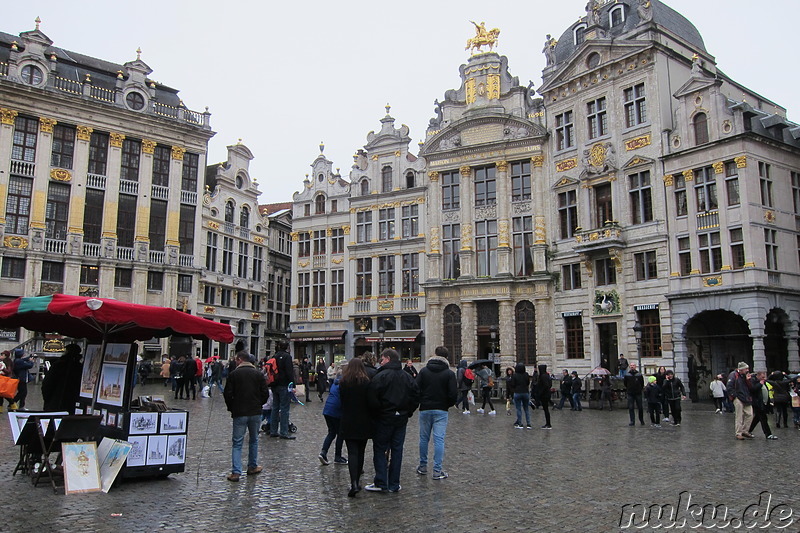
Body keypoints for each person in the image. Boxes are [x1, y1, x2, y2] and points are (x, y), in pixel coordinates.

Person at [365, 349, 420, 493]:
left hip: (384, 418)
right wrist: (408, 412)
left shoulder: (380, 376)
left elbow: (372, 398)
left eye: (382, 359)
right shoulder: (406, 377)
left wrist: (378, 412)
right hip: (400, 418)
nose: (380, 362)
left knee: (380, 448)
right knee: (397, 450)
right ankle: (394, 483)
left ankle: (381, 481)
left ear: (388, 359)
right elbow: (416, 395)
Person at [223, 350, 270, 481]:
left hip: (239, 412)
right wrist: (259, 404)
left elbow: (227, 394)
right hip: (255, 412)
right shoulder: (258, 374)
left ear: (239, 360)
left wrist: (232, 407)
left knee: (237, 443)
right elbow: (265, 393)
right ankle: (252, 466)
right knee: (254, 440)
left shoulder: (233, 374)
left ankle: (236, 472)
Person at [415, 346, 457, 480]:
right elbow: (453, 394)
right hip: (441, 410)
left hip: (425, 408)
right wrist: (446, 404)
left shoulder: (424, 371)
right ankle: (437, 471)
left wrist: (422, 401)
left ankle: (422, 466)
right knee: (439, 439)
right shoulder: (449, 374)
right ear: (446, 358)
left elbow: (416, 388)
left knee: (423, 439)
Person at [339, 357, 373, 497]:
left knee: (352, 452)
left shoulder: (344, 382)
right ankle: (357, 481)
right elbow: (370, 401)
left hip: (348, 420)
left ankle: (353, 482)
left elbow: (342, 401)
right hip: (363, 420)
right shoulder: (366, 382)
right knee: (361, 451)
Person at [319, 363, 347, 466]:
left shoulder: (335, 383)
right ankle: (338, 456)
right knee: (340, 433)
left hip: (328, 410)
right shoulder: (344, 384)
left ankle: (323, 452)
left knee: (331, 432)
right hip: (336, 411)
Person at [41, 343, 82, 412]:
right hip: (70, 403)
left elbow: (47, 384)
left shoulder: (58, 365)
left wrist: (48, 399)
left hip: (55, 403)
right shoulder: (79, 366)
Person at [269, 340, 297, 440]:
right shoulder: (287, 357)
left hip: (274, 385)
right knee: (284, 409)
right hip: (284, 385)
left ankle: (273, 431)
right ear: (287, 347)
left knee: (275, 408)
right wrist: (293, 385)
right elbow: (289, 372)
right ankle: (284, 432)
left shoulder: (274, 356)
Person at [727, 362, 755, 440]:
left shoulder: (746, 376)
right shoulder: (733, 375)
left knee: (750, 414)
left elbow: (751, 387)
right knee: (739, 416)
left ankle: (745, 430)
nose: (747, 370)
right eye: (746, 369)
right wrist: (734, 396)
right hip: (738, 397)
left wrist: (748, 380)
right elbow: (729, 387)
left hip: (746, 397)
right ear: (741, 369)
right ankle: (738, 433)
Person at [747, 371, 776, 440]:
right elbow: (752, 390)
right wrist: (760, 384)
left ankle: (748, 430)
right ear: (758, 376)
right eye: (762, 377)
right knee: (763, 418)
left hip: (763, 403)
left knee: (757, 419)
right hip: (757, 403)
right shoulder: (753, 381)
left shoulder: (764, 382)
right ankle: (768, 434)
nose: (764, 378)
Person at [510, 363, 531, 429]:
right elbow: (528, 383)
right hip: (525, 392)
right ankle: (528, 424)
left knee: (519, 409)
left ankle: (520, 423)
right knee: (526, 409)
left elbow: (512, 384)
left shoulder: (515, 375)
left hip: (517, 392)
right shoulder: (526, 375)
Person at [536, 365, 553, 429]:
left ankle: (548, 424)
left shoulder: (543, 376)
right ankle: (548, 423)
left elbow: (545, 386)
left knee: (546, 410)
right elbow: (549, 384)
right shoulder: (547, 375)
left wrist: (540, 393)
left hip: (544, 395)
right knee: (546, 410)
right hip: (547, 394)